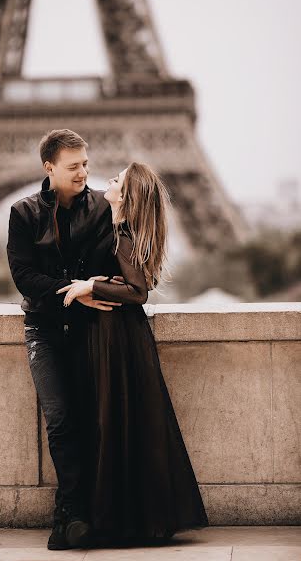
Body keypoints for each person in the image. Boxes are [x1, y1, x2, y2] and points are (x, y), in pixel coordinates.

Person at [57, 161, 210, 547]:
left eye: (118, 180)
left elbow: (137, 290)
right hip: (120, 335)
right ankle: (132, 518)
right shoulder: (120, 228)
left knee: (113, 421)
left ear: (126, 197)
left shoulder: (122, 231)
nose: (109, 180)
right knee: (125, 423)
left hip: (116, 337)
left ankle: (117, 520)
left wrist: (91, 283)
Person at [6, 128, 121, 550]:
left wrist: (93, 290)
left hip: (93, 329)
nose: (83, 173)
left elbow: (118, 268)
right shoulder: (23, 213)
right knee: (59, 417)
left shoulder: (104, 210)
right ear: (49, 167)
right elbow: (24, 278)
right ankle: (70, 511)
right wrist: (76, 291)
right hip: (46, 329)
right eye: (74, 167)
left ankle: (87, 511)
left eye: (86, 165)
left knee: (93, 417)